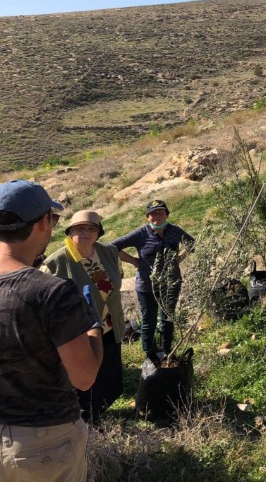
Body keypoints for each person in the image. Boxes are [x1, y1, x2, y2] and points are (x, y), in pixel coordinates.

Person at [0, 180, 102, 482]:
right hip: (43, 444)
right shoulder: (51, 292)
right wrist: (93, 326)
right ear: (44, 223)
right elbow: (84, 378)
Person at [43, 210, 125, 425]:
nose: (85, 232)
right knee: (84, 382)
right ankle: (84, 423)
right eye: (79, 228)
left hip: (110, 327)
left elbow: (117, 282)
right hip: (79, 334)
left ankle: (99, 414)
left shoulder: (109, 252)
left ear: (99, 233)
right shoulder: (56, 263)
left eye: (91, 228)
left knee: (108, 376)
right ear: (70, 232)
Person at [111, 199, 195, 366]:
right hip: (147, 285)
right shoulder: (141, 234)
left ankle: (167, 350)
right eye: (153, 213)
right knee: (148, 319)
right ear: (147, 217)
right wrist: (134, 261)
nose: (157, 215)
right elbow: (114, 246)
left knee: (168, 318)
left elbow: (191, 243)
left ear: (167, 214)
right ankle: (149, 352)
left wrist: (180, 258)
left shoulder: (174, 231)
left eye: (160, 212)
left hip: (171, 283)